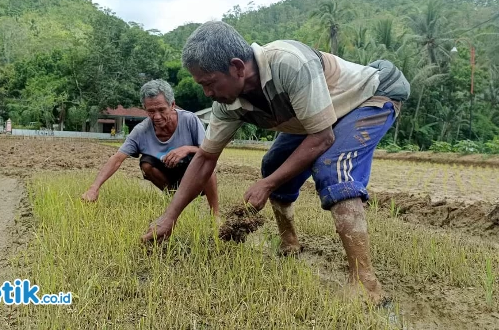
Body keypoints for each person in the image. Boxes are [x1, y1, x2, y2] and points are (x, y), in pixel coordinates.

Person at [140, 21, 410, 305]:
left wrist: (266, 186)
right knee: (273, 164)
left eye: (208, 83)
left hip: (369, 96)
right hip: (319, 117)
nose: (206, 92)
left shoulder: (290, 64)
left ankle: (366, 284)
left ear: (237, 67)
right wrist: (169, 217)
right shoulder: (226, 104)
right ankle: (289, 242)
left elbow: (322, 138)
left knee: (334, 168)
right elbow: (205, 157)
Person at [82, 79, 219, 216]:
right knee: (146, 163)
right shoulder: (141, 131)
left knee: (206, 161)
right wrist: (94, 187)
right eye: (151, 111)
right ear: (145, 109)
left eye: (161, 110)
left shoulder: (190, 120)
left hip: (195, 175)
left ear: (172, 105)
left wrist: (187, 149)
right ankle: (175, 199)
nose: (157, 116)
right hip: (169, 176)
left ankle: (215, 214)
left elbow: (209, 151)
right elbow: (117, 158)